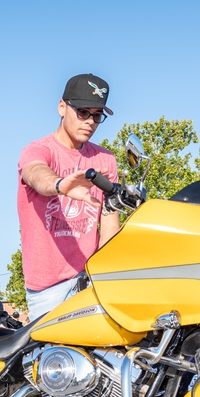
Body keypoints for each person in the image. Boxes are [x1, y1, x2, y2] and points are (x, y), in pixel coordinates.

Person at [17, 73, 121, 321]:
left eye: (97, 116)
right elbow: (35, 173)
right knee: (52, 357)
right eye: (83, 112)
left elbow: (109, 225)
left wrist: (101, 278)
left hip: (89, 281)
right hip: (47, 289)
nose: (90, 122)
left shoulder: (105, 160)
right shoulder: (39, 150)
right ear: (62, 107)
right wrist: (61, 185)